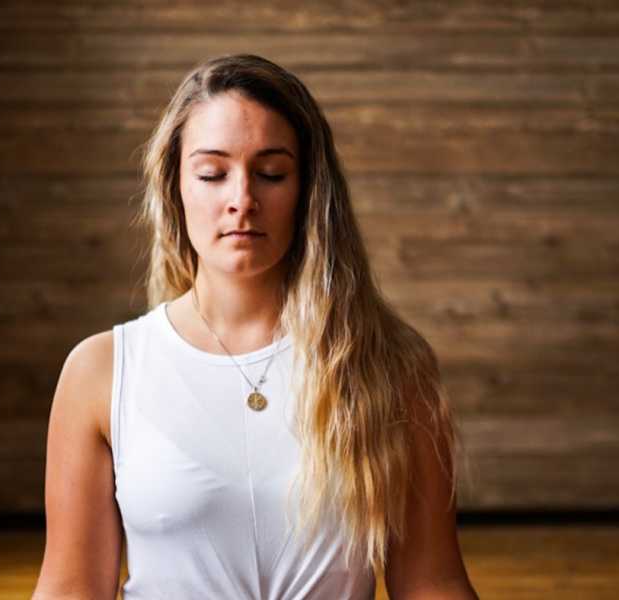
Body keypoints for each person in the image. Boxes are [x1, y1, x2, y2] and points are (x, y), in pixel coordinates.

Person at [32, 54, 479, 600]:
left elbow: (433, 582)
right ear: (175, 188)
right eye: (212, 174)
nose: (242, 199)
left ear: (309, 192)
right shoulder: (100, 371)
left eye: (270, 173)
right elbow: (70, 590)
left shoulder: (391, 364)